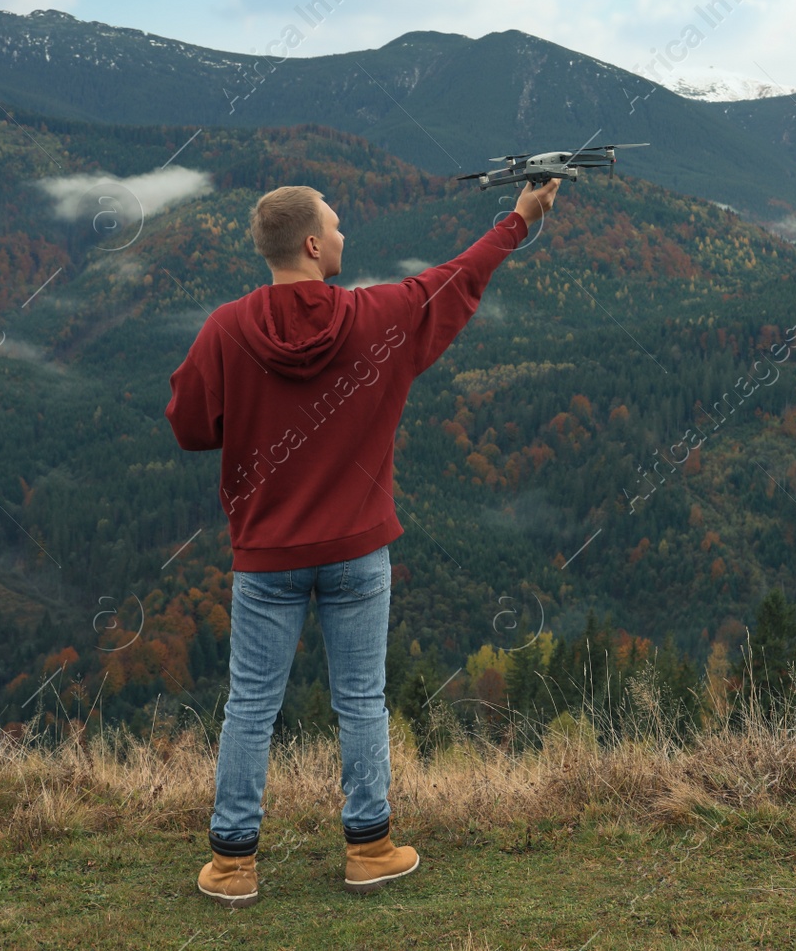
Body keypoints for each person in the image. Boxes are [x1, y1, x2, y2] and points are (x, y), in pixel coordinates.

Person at [166, 178, 560, 906]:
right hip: (356, 550)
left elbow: (190, 423)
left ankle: (232, 864)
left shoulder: (224, 329)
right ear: (312, 244)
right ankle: (369, 846)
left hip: (267, 555)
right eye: (337, 226)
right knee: (361, 699)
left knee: (250, 704)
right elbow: (458, 276)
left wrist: (251, 418)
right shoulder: (377, 316)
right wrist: (520, 221)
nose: (345, 237)